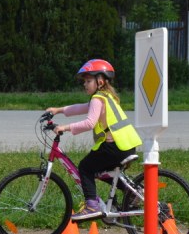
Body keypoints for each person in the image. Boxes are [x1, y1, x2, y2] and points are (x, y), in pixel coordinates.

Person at [46, 59, 142, 221]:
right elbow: (80, 108)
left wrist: (65, 127)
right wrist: (58, 110)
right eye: (84, 81)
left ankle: (92, 206)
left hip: (114, 147)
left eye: (88, 80)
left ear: (100, 81)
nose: (85, 84)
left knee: (85, 168)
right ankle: (133, 191)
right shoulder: (106, 97)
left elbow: (89, 123)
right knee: (100, 171)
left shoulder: (98, 98)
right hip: (126, 146)